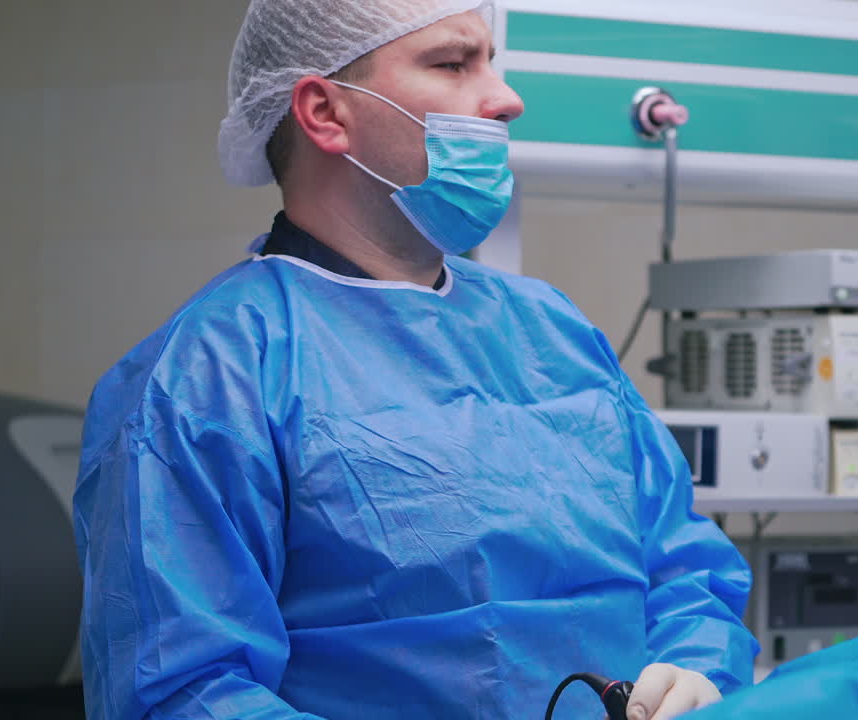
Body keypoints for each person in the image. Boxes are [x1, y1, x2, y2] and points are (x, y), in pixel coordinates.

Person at [72, 1, 757, 718]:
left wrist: (694, 668)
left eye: (490, 61)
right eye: (453, 63)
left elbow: (685, 572)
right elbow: (184, 688)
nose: (506, 98)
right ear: (326, 113)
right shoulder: (210, 377)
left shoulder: (550, 329)